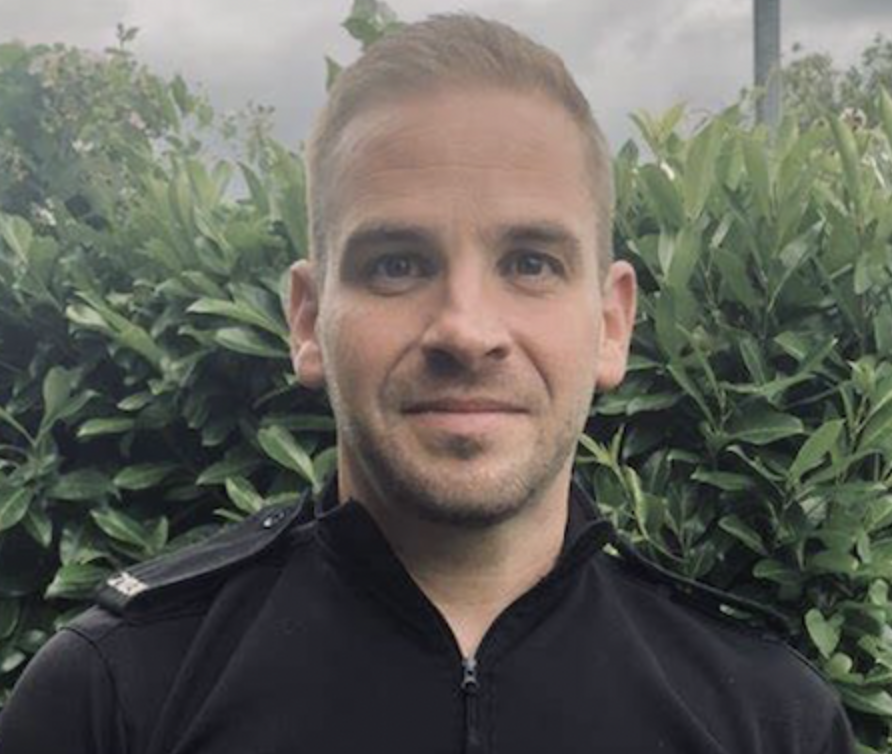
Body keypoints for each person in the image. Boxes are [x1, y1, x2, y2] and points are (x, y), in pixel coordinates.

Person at [0, 14, 856, 754]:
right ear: (309, 320)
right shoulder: (113, 698)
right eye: (397, 265)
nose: (466, 330)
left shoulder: (770, 720)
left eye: (530, 263)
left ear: (610, 324)